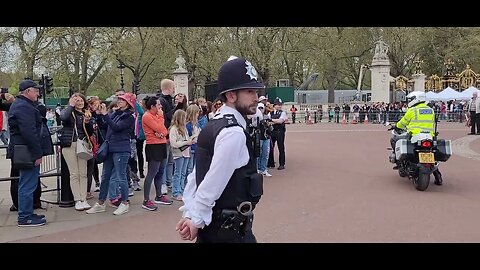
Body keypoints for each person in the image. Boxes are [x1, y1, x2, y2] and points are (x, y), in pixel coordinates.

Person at [176, 56, 264, 243]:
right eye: (250, 91)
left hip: (218, 230)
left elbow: (197, 174)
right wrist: (195, 218)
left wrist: (191, 214)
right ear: (231, 96)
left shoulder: (215, 124)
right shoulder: (233, 132)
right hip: (229, 233)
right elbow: (212, 181)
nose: (256, 98)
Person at [7, 80, 48, 226]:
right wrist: (38, 154)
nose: (38, 93)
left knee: (26, 183)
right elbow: (29, 132)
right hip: (27, 151)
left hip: (23, 149)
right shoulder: (24, 107)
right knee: (27, 184)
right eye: (36, 91)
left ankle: (27, 213)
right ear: (28, 91)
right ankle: (24, 217)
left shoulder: (20, 105)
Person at [393, 91, 443, 185]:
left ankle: (400, 164)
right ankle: (438, 176)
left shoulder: (413, 110)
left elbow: (402, 123)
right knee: (432, 154)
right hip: (429, 136)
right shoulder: (430, 110)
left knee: (394, 140)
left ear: (415, 99)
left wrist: (396, 126)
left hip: (414, 135)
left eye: (410, 99)